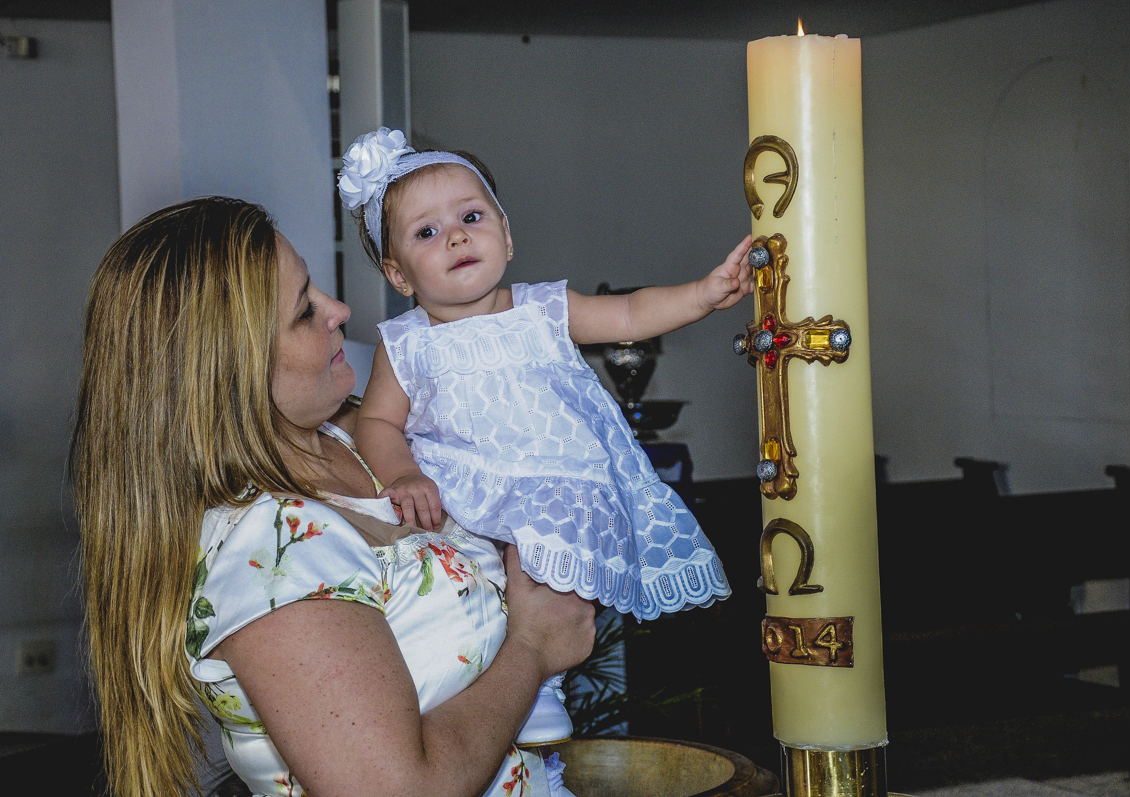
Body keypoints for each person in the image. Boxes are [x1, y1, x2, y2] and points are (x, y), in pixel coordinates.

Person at [72, 197, 595, 797]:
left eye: (315, 287)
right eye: (303, 311)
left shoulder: (362, 430)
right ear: (228, 370)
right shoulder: (270, 543)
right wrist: (533, 648)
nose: (340, 310)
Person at [337, 128, 751, 743]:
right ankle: (509, 689)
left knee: (552, 588)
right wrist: (402, 473)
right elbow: (375, 422)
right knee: (486, 596)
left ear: (505, 233)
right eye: (426, 232)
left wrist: (704, 294)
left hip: (558, 482)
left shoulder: (541, 309)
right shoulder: (407, 345)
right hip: (466, 487)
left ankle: (545, 688)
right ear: (399, 275)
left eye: (471, 217)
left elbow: (631, 314)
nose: (454, 235)